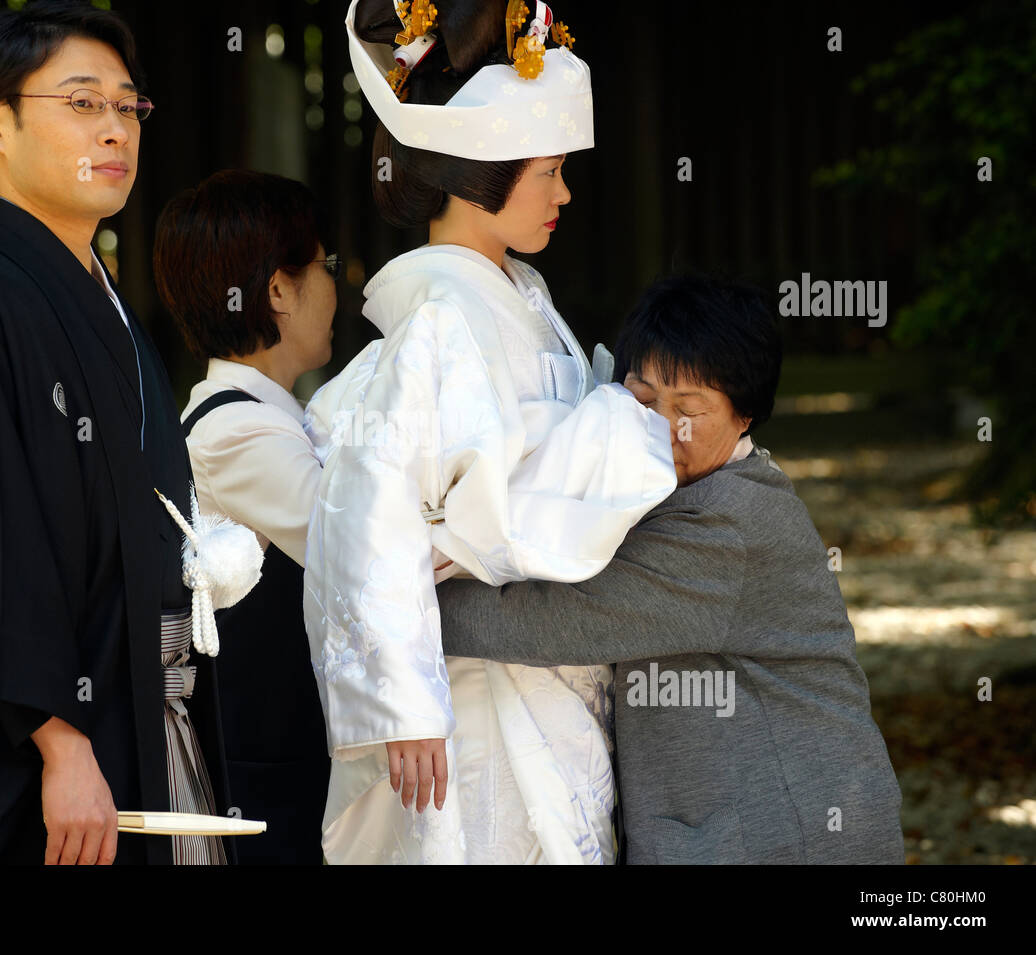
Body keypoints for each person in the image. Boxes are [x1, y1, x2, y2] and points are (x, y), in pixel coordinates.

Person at [301, 0, 677, 864]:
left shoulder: (527, 305)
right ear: (481, 170)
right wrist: (403, 706)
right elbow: (370, 513)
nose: (564, 193)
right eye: (547, 171)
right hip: (466, 685)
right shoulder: (440, 316)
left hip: (551, 663)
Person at [0, 0, 229, 865]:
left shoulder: (109, 303)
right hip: (51, 741)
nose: (114, 129)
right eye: (82, 103)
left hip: (148, 707)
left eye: (127, 106)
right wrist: (59, 741)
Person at [435, 274, 906, 864]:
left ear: (746, 416)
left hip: (790, 833)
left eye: (690, 409)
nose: (663, 427)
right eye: (643, 399)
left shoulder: (728, 521)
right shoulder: (666, 493)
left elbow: (555, 622)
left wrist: (397, 596)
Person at [153, 170, 336, 863]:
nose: (334, 285)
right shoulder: (236, 433)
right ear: (279, 290)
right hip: (265, 779)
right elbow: (359, 544)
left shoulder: (266, 418)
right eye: (322, 264)